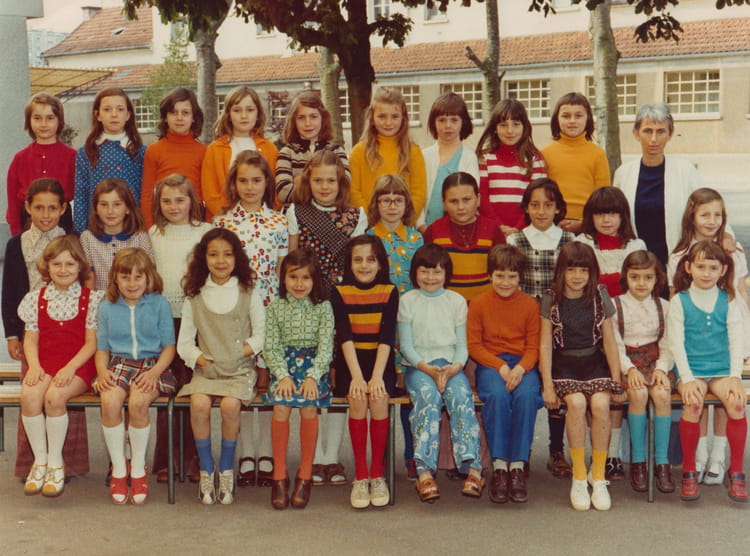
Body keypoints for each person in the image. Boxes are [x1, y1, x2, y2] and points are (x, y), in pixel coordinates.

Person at [287, 149, 367, 485]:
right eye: (318, 180)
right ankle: (314, 456)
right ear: (308, 181)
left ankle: (331, 456)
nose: (324, 187)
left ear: (341, 182)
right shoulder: (296, 212)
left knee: (337, 379)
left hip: (342, 304)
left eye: (330, 181)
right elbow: (292, 260)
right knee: (312, 375)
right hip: (308, 303)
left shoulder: (356, 216)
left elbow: (359, 264)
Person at [2, 179, 90, 482]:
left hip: (69, 332)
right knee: (34, 390)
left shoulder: (72, 241)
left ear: (63, 208)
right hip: (33, 332)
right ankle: (34, 463)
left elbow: (85, 282)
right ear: (27, 207)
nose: (45, 214)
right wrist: (12, 334)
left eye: (53, 208)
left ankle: (66, 463)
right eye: (38, 207)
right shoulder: (16, 244)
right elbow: (9, 291)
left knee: (59, 394)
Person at [213, 150, 288, 488]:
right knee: (240, 382)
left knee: (265, 383)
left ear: (266, 183)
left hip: (269, 310)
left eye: (256, 180)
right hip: (236, 311)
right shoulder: (223, 223)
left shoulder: (280, 222)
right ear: (234, 183)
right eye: (243, 180)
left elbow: (283, 271)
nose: (250, 187)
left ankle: (266, 452)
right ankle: (244, 452)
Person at [666, 188, 748, 485]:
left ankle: (718, 458)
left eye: (718, 215)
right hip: (693, 338)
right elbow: (676, 300)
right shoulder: (680, 256)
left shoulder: (733, 250)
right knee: (696, 400)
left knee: (730, 398)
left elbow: (741, 291)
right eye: (705, 214)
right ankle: (697, 458)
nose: (712, 221)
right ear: (692, 217)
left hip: (729, 332)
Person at [177, 228, 265, 505]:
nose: (221, 261)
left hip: (239, 370)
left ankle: (226, 468)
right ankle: (207, 468)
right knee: (199, 404)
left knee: (229, 406)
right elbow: (184, 343)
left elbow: (261, 335)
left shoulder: (248, 291)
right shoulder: (195, 295)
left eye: (227, 254)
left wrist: (239, 352)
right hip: (208, 370)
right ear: (203, 258)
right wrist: (200, 359)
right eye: (213, 254)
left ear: (237, 258)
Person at [539, 242, 625, 511]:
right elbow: (545, 345)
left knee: (600, 404)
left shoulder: (600, 295)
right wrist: (548, 386)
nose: (577, 276)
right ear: (561, 271)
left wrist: (616, 380)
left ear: (592, 272)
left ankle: (597, 476)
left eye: (584, 270)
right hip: (564, 363)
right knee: (576, 404)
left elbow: (609, 341)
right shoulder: (550, 298)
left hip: (594, 361)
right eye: (571, 270)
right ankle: (578, 475)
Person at [16, 236, 102, 497]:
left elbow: (91, 344)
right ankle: (40, 461)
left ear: (80, 267)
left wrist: (70, 368)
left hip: (78, 366)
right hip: (45, 362)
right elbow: (31, 339)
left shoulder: (90, 299)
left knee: (54, 398)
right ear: (47, 266)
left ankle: (56, 463)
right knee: (30, 395)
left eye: (70, 264)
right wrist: (34, 366)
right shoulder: (36, 299)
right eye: (57, 264)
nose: (63, 269)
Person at [398, 243, 483, 503]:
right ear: (415, 273)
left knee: (461, 397)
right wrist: (427, 369)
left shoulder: (456, 301)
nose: (430, 277)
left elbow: (462, 345)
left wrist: (455, 367)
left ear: (447, 273)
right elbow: (406, 346)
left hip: (451, 366)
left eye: (437, 271)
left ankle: (474, 469)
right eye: (424, 271)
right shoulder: (407, 301)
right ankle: (424, 472)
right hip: (419, 367)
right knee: (428, 399)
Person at [95, 248, 176, 505]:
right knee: (109, 401)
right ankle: (120, 469)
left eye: (138, 277)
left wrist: (154, 373)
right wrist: (102, 372)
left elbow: (169, 348)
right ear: (115, 279)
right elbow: (102, 349)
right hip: (118, 364)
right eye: (125, 277)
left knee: (138, 403)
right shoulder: (106, 307)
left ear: (148, 277)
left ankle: (139, 468)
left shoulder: (159, 304)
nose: (132, 283)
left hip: (152, 365)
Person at [575, 187, 646, 478]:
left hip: (627, 328)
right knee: (595, 394)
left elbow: (635, 284)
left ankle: (613, 455)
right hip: (589, 328)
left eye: (613, 213)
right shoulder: (582, 243)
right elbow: (585, 285)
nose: (606, 220)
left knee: (616, 392)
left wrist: (605, 281)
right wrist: (612, 281)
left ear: (623, 216)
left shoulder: (635, 245)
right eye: (600, 214)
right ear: (590, 216)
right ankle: (597, 454)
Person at [507, 178, 575, 478]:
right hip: (526, 325)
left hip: (561, 325)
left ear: (558, 208)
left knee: (557, 384)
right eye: (534, 205)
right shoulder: (516, 241)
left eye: (548, 205)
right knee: (527, 387)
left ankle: (556, 449)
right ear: (525, 208)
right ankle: (521, 451)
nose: (541, 211)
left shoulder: (570, 241)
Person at [148, 174, 211, 484]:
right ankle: (167, 459)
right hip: (163, 321)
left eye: (180, 200)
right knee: (168, 389)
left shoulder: (205, 232)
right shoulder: (152, 235)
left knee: (195, 389)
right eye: (167, 201)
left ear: (192, 202)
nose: (173, 206)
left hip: (196, 321)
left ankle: (196, 458)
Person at [468, 244, 542, 504]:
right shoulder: (478, 304)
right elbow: (474, 346)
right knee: (497, 396)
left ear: (521, 277)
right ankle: (499, 466)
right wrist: (500, 366)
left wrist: (521, 368)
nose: (505, 282)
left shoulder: (530, 305)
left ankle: (517, 466)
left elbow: (533, 347)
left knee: (527, 395)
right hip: (491, 363)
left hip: (523, 364)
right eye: (500, 276)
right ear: (490, 275)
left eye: (512, 276)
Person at [263, 248, 335, 510]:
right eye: (293, 277)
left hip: (313, 369)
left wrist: (314, 376)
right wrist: (282, 376)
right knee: (281, 407)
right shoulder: (275, 308)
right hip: (284, 368)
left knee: (308, 407)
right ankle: (279, 475)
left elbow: (326, 347)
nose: (299, 284)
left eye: (306, 278)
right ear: (283, 278)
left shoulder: (323, 308)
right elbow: (271, 347)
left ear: (315, 280)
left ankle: (305, 474)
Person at [331, 236, 398, 508]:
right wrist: (357, 377)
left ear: (380, 263)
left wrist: (377, 376)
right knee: (358, 398)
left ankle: (377, 474)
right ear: (349, 263)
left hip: (380, 362)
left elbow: (387, 337)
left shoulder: (390, 290)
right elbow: (344, 336)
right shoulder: (339, 291)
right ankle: (361, 475)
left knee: (379, 397)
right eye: (357, 259)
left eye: (371, 259)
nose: (364, 265)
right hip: (351, 363)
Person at [366, 175, 423, 479]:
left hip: (410, 328)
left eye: (397, 200)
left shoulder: (415, 239)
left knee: (408, 395)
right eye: (385, 200)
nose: (391, 206)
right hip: (377, 328)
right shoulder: (367, 239)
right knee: (382, 393)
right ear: (376, 204)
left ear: (406, 204)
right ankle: (382, 457)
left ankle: (412, 454)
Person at [612, 103, 705, 268]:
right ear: (636, 133)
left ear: (670, 134)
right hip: (637, 265)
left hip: (677, 262)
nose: (654, 139)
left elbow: (707, 208)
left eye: (661, 131)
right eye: (647, 131)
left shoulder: (686, 170)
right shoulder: (623, 173)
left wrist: (726, 234)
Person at [612, 250, 675, 494]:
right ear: (625, 277)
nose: (641, 283)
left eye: (648, 277)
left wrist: (661, 368)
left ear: (657, 279)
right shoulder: (615, 306)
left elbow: (668, 344)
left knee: (662, 394)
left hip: (655, 360)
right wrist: (628, 369)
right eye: (635, 277)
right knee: (638, 394)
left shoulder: (665, 307)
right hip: (626, 362)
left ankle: (661, 462)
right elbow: (615, 345)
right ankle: (638, 461)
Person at [423, 171, 505, 302]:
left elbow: (503, 273)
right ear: (444, 203)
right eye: (453, 201)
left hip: (485, 307)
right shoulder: (434, 231)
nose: (460, 207)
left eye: (466, 200)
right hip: (446, 307)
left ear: (478, 199)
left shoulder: (493, 230)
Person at [74, 87, 145, 234]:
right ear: (97, 115)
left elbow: (146, 193)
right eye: (107, 109)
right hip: (97, 230)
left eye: (120, 109)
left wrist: (145, 227)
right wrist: (81, 231)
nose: (114, 114)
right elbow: (81, 194)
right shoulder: (87, 152)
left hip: (132, 228)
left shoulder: (140, 151)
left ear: (128, 115)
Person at [202, 85, 278, 220]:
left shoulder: (270, 149)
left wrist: (262, 219)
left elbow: (275, 192)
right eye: (237, 110)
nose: (244, 116)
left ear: (258, 114)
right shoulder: (215, 149)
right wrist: (232, 220)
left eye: (250, 110)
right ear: (228, 115)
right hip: (225, 221)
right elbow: (211, 194)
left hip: (263, 222)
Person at [349, 86, 426, 215]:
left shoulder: (413, 151)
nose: (388, 123)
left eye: (395, 117)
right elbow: (354, 192)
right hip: (368, 224)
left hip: (402, 224)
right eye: (382, 117)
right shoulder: (358, 151)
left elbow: (418, 194)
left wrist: (401, 221)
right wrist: (371, 221)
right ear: (372, 117)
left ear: (403, 118)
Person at [6, 93, 75, 234]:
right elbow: (13, 203)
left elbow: (81, 198)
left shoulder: (73, 157)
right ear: (29, 121)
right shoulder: (20, 158)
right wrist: (16, 234)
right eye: (37, 118)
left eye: (50, 118)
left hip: (62, 223)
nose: (43, 124)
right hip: (28, 224)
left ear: (59, 121)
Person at [476, 98, 546, 238]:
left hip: (526, 231)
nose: (510, 131)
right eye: (503, 125)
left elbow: (538, 198)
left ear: (524, 127)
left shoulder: (535, 159)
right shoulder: (485, 158)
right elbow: (482, 197)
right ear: (495, 128)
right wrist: (498, 226)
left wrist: (518, 228)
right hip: (492, 230)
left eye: (516, 124)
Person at [541, 92, 609, 234]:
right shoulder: (545, 154)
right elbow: (541, 194)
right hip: (552, 224)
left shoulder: (598, 154)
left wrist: (585, 223)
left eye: (578, 116)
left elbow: (602, 198)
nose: (572, 121)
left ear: (588, 118)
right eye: (566, 116)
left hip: (588, 225)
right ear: (556, 119)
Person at [141, 87, 206, 227]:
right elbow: (147, 195)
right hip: (163, 220)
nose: (179, 118)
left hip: (195, 221)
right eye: (173, 112)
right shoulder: (154, 151)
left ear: (194, 117)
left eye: (185, 113)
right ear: (165, 117)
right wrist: (150, 228)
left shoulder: (204, 151)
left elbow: (206, 193)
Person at [275, 90, 350, 206]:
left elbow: (344, 186)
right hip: (297, 215)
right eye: (301, 118)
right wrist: (325, 186)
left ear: (323, 118)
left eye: (313, 116)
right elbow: (283, 192)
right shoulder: (287, 153)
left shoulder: (336, 151)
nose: (307, 123)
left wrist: (301, 181)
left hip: (330, 214)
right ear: (294, 121)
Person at [79, 178, 153, 290]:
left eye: (117, 204)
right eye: (104, 205)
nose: (110, 211)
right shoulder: (87, 238)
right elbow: (89, 277)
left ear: (128, 208)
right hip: (100, 298)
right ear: (96, 208)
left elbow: (148, 277)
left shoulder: (140, 237)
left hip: (134, 297)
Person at [419, 92, 479, 230]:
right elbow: (417, 195)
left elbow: (471, 197)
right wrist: (421, 226)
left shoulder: (469, 157)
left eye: (454, 120)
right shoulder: (424, 156)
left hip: (458, 229)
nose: (448, 125)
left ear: (463, 122)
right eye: (441, 120)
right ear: (433, 122)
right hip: (426, 228)